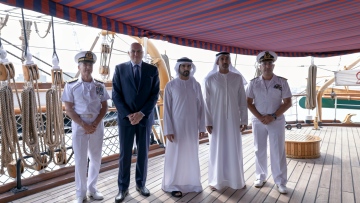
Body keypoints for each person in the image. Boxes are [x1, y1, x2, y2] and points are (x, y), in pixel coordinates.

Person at [112, 42, 160, 203]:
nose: (136, 54)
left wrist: (141, 113)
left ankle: (141, 184)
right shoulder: (120, 69)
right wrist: (128, 115)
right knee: (125, 155)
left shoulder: (152, 70)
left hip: (144, 119)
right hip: (126, 120)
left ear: (142, 53)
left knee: (143, 154)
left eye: (139, 51)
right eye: (133, 51)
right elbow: (116, 95)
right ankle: (122, 188)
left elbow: (154, 95)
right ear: (128, 53)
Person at [62, 51, 110, 203]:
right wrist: (84, 125)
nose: (87, 67)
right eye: (85, 65)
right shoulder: (71, 86)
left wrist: (94, 124)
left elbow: (104, 107)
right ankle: (80, 193)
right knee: (81, 160)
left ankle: (92, 188)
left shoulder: (99, 86)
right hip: (79, 125)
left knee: (96, 159)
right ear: (79, 66)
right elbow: (69, 109)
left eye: (90, 65)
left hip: (97, 125)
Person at [246, 51, 292, 194]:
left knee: (277, 151)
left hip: (276, 121)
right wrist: (260, 117)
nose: (267, 66)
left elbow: (288, 102)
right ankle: (260, 177)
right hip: (258, 121)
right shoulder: (253, 83)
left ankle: (280, 181)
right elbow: (248, 102)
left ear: (273, 65)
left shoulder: (282, 82)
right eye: (264, 63)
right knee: (258, 149)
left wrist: (272, 116)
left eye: (269, 63)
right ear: (260, 66)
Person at [161, 57, 205, 197]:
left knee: (190, 154)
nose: (186, 68)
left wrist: (202, 127)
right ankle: (172, 184)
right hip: (176, 128)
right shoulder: (171, 85)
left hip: (192, 127)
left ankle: (192, 183)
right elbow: (166, 109)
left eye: (188, 66)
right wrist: (168, 129)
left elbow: (201, 107)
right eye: (183, 66)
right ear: (178, 67)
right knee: (175, 156)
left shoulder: (196, 85)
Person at [204, 51, 248, 190]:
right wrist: (207, 121)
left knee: (234, 148)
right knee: (217, 149)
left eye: (227, 58)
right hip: (216, 120)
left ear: (230, 61)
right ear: (217, 61)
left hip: (234, 119)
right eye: (222, 58)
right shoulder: (210, 79)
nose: (224, 61)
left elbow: (242, 100)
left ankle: (236, 180)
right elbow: (206, 102)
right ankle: (216, 181)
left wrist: (244, 120)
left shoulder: (237, 78)